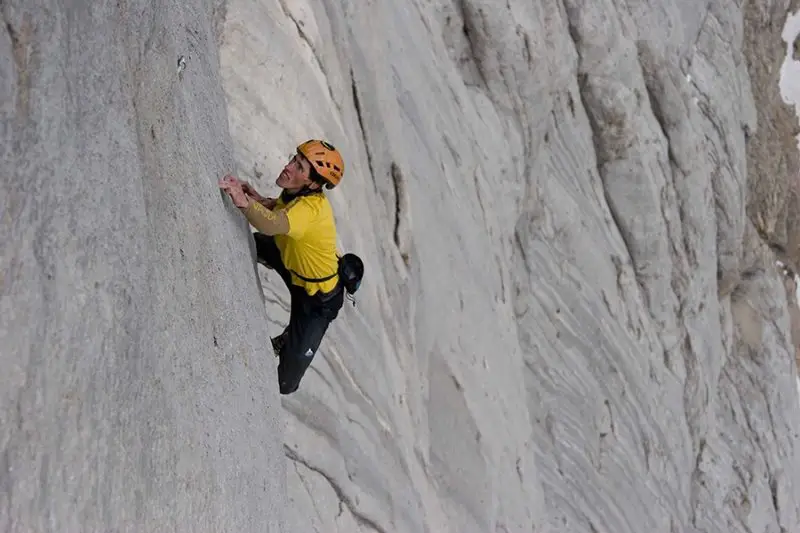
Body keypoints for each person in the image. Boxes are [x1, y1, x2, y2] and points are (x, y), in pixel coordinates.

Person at [219, 139, 346, 395]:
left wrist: (242, 201)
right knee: (254, 245)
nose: (288, 167)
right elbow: (279, 211)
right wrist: (256, 198)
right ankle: (265, 255)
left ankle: (289, 340)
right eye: (293, 160)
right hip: (292, 267)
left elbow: (272, 224)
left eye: (299, 167)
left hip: (318, 301)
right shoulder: (296, 193)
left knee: (285, 382)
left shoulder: (311, 210)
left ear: (312, 182)